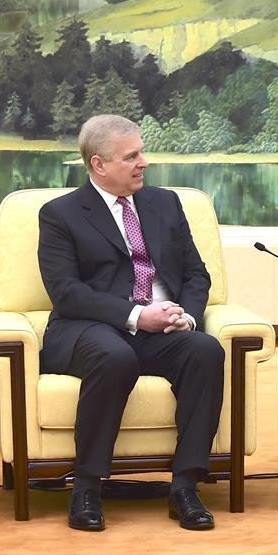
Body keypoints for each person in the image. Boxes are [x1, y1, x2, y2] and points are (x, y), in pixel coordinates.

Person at [38, 114, 225, 532]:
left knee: (205, 350)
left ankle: (185, 486)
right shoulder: (60, 214)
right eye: (132, 156)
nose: (145, 162)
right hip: (91, 327)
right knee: (114, 354)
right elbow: (67, 292)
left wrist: (186, 317)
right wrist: (139, 316)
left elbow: (197, 274)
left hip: (163, 325)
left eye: (142, 151)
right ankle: (86, 487)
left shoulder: (165, 203)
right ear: (99, 164)